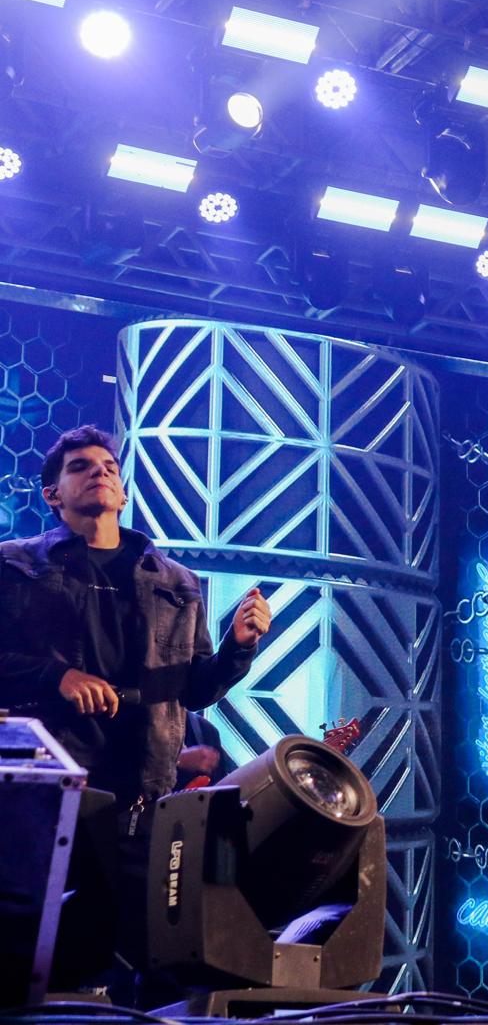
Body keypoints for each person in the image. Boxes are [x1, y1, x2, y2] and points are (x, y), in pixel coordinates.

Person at [0, 425, 271, 993]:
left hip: (141, 794)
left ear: (122, 493)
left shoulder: (177, 582)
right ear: (52, 494)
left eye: (108, 467)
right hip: (45, 786)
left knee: (144, 952)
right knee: (31, 951)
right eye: (79, 466)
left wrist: (238, 648)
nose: (98, 472)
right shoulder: (14, 566)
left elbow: (194, 689)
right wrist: (57, 676)